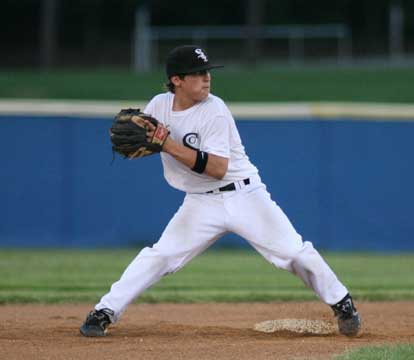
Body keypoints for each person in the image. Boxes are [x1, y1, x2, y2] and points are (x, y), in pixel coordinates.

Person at [80, 45, 361, 337]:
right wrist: (147, 144)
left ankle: (342, 302)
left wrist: (166, 145)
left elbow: (217, 168)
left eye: (207, 72)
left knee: (293, 253)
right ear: (177, 80)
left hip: (244, 196)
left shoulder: (215, 109)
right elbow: (149, 141)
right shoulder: (159, 106)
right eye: (198, 73)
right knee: (160, 256)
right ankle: (104, 311)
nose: (206, 78)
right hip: (200, 203)